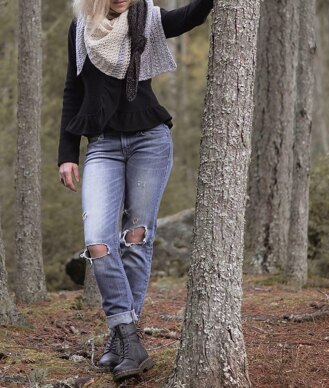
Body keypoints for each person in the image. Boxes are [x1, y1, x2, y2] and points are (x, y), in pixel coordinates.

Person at [58, 0, 213, 381]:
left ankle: (121, 341)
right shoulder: (81, 29)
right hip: (103, 146)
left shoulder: (146, 19)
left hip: (149, 140)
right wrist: (67, 154)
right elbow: (72, 90)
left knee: (136, 237)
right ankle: (129, 338)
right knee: (97, 241)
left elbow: (190, 17)